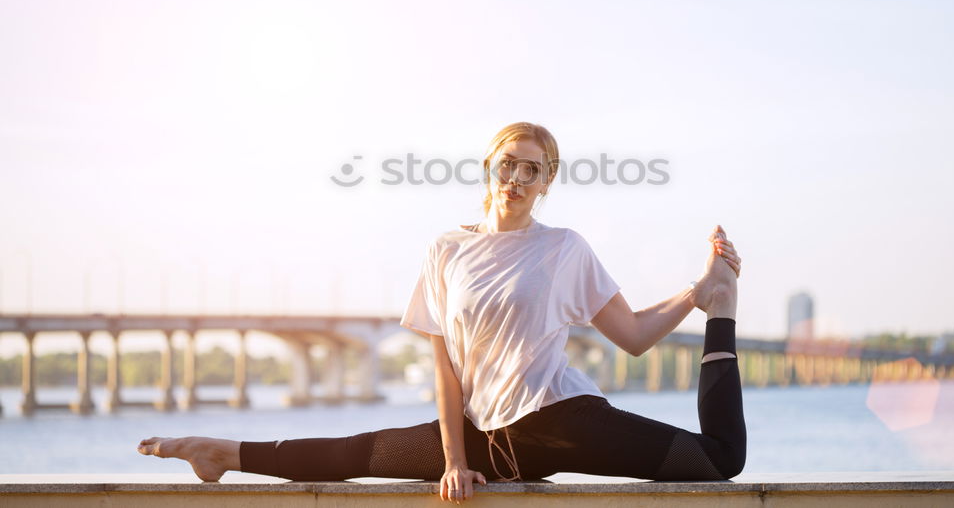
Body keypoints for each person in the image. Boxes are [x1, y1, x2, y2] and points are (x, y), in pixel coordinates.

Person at [137, 122, 745, 503]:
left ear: (546, 182)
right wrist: (455, 460)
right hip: (482, 440)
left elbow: (634, 335)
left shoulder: (564, 249)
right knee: (356, 453)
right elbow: (445, 368)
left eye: (533, 170)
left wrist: (699, 294)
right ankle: (218, 451)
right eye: (509, 163)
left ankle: (723, 304)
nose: (517, 177)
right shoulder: (445, 251)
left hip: (563, 422)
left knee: (718, 461)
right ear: (490, 167)